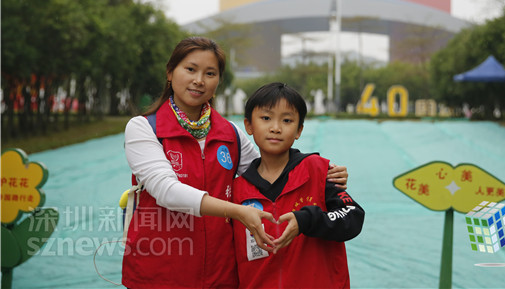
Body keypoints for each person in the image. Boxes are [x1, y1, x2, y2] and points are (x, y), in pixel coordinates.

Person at [122, 37, 348, 289]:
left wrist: (320, 169)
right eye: (190, 69)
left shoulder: (230, 134)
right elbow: (166, 191)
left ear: (218, 81)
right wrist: (237, 211)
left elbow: (269, 170)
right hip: (159, 274)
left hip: (220, 277)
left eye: (210, 73)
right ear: (170, 72)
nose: (199, 80)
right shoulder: (144, 128)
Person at [233, 82, 364, 289]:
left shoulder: (318, 170)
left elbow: (353, 216)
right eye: (266, 118)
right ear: (248, 125)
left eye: (287, 120)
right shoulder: (236, 190)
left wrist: (307, 220)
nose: (276, 128)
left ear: (299, 130)